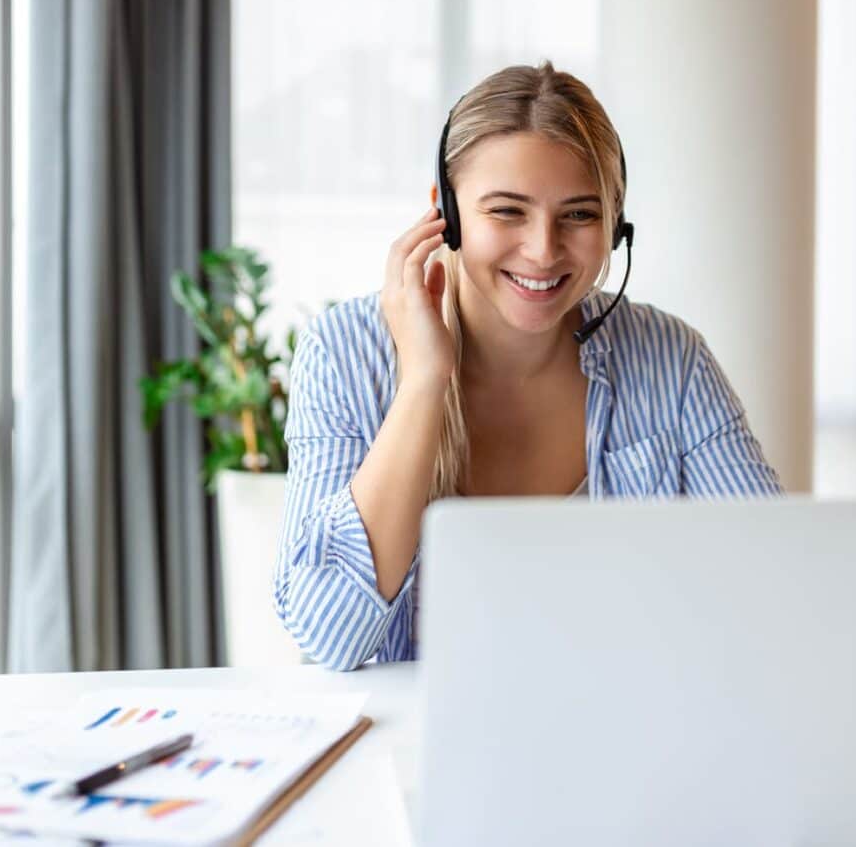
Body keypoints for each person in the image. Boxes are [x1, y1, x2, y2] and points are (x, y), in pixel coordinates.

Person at [272, 61, 782, 671]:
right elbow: (330, 637)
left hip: (628, 736)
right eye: (508, 211)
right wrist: (424, 382)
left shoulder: (672, 360)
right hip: (418, 751)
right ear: (447, 215)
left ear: (615, 226)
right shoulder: (344, 353)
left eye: (579, 214)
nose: (543, 250)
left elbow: (772, 591)